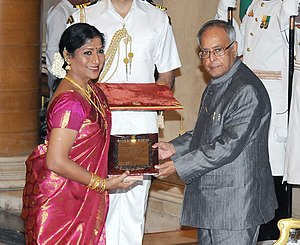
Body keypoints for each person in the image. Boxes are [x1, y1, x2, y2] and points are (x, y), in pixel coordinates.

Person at [154, 20, 277, 245]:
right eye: (205, 52)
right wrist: (173, 147)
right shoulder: (219, 82)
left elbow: (228, 144)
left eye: (218, 50)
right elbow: (207, 131)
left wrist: (178, 166)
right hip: (212, 200)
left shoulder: (245, 89)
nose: (211, 59)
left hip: (235, 206)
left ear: (235, 49)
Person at [70, 1, 181, 244]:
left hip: (140, 126)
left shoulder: (157, 17)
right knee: (96, 199)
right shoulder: (85, 14)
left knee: (134, 203)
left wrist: (142, 98)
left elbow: (166, 75)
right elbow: (71, 74)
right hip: (96, 125)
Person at [21, 23, 136, 245]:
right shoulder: (71, 102)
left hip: (81, 191)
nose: (96, 60)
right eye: (87, 53)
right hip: (63, 201)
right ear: (68, 55)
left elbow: (94, 142)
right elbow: (55, 161)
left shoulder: (92, 90)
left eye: (100, 51)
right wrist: (103, 184)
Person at [216, 0, 299, 239]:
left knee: (271, 183)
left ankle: (274, 238)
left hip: (275, 109)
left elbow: (289, 22)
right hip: (249, 105)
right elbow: (230, 38)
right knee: (251, 179)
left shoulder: (283, 6)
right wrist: (226, 3)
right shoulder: (255, 6)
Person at [46, 0, 93, 95]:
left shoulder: (80, 10)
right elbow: (53, 50)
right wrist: (63, 77)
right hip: (64, 77)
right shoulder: (60, 12)